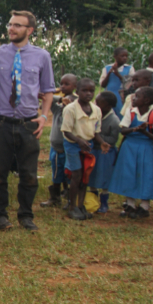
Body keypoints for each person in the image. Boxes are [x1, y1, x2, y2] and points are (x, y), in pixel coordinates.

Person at [0, 10, 56, 232]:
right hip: (0, 122)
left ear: (30, 30)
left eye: (17, 25)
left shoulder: (42, 56)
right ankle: (0, 215)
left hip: (29, 123)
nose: (11, 28)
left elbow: (47, 90)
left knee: (28, 174)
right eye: (10, 24)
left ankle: (26, 215)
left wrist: (44, 116)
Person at [108, 85, 153, 219]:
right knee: (129, 173)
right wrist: (136, 129)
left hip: (146, 148)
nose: (134, 98)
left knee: (146, 175)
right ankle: (130, 204)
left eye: (137, 96)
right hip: (130, 148)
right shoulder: (131, 112)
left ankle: (144, 206)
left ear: (147, 101)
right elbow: (123, 130)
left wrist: (144, 131)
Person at [62, 79, 101, 221]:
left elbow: (96, 131)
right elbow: (66, 131)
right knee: (76, 175)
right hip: (73, 144)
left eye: (91, 90)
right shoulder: (70, 109)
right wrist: (79, 141)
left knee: (85, 175)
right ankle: (72, 207)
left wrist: (102, 143)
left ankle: (80, 205)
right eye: (85, 90)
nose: (89, 93)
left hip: (88, 144)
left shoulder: (96, 109)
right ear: (77, 92)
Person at [43, 73, 78, 208]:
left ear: (75, 86)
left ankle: (66, 195)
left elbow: (73, 100)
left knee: (69, 171)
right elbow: (46, 96)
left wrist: (68, 99)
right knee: (57, 171)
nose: (63, 86)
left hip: (69, 145)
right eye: (61, 84)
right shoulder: (58, 108)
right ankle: (56, 196)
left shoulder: (76, 106)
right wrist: (56, 91)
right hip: (56, 146)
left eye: (66, 84)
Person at [91, 89, 120, 213]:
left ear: (108, 106)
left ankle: (104, 204)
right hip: (94, 151)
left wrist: (96, 135)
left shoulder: (114, 121)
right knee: (92, 176)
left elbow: (113, 139)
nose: (95, 103)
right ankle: (92, 201)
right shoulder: (94, 113)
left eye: (98, 102)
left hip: (105, 153)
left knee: (104, 178)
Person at [99, 48, 133, 114]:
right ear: (115, 57)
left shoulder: (129, 68)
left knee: (121, 113)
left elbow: (129, 84)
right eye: (122, 56)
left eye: (126, 56)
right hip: (108, 97)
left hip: (122, 97)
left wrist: (117, 74)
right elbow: (103, 84)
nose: (125, 58)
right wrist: (109, 73)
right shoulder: (107, 68)